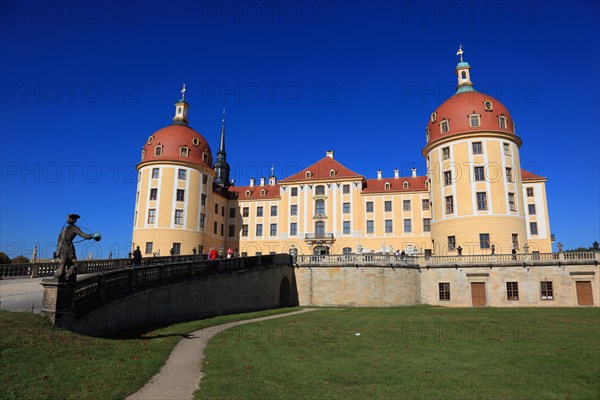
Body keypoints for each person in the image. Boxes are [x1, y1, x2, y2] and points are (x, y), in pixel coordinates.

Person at [54, 214, 95, 283]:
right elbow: (83, 235)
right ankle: (62, 276)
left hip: (60, 247)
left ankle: (60, 276)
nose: (67, 219)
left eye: (68, 218)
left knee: (63, 263)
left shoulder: (64, 228)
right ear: (74, 220)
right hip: (67, 248)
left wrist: (60, 244)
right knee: (71, 264)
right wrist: (91, 236)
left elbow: (59, 238)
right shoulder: (74, 228)